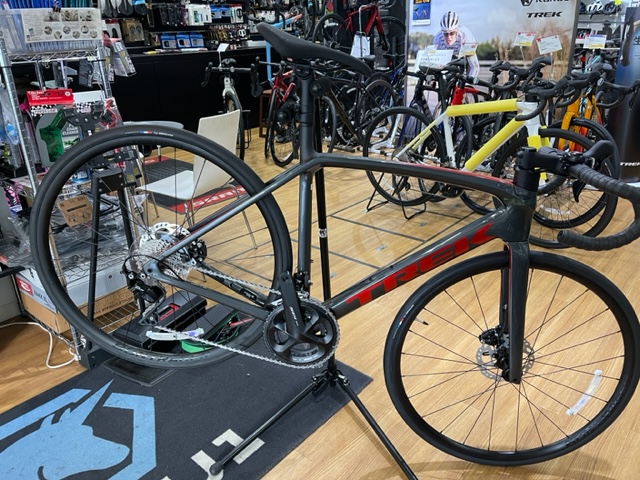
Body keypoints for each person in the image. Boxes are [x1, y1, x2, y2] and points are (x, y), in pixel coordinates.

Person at [432, 11, 480, 77]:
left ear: (456, 30)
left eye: (452, 33)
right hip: (447, 57)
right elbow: (435, 65)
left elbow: (474, 67)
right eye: (445, 34)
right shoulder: (438, 39)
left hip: (463, 54)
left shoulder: (465, 37)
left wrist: (468, 81)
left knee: (466, 70)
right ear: (442, 32)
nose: (449, 37)